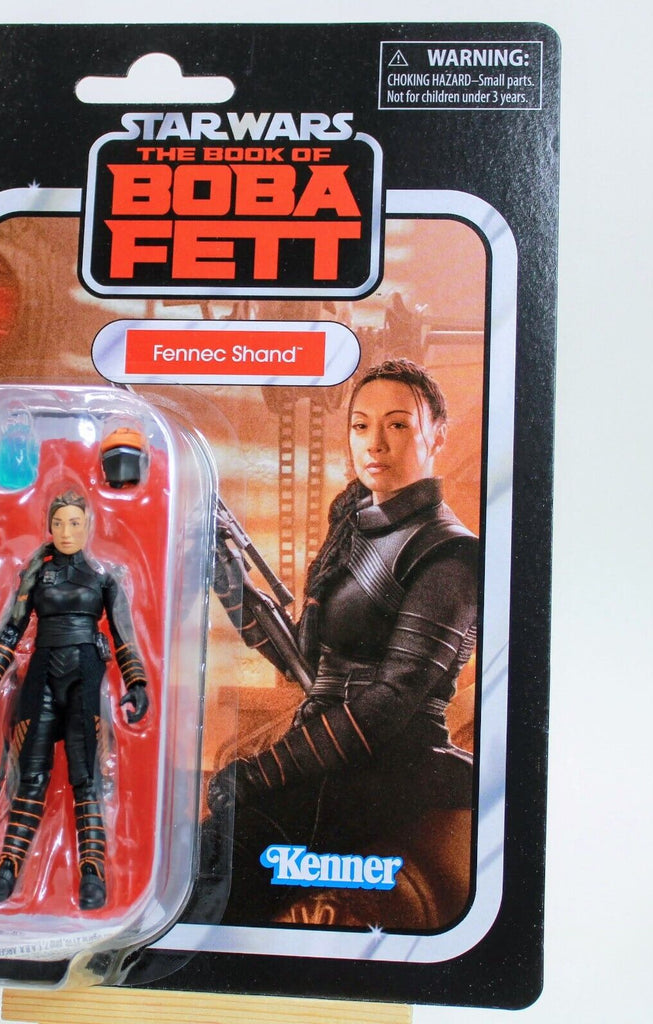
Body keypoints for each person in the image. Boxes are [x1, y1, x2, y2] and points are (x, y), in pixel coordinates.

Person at [207, 358, 478, 926]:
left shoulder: (449, 553)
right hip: (330, 751)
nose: (375, 443)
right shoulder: (354, 526)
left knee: (220, 863)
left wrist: (265, 771)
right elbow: (305, 663)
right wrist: (228, 580)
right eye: (361, 425)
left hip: (390, 764)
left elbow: (389, 703)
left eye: (398, 424)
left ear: (438, 436)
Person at [0, 489, 149, 909]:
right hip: (41, 678)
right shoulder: (35, 574)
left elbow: (123, 633)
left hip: (85, 677)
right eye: (59, 523)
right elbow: (11, 629)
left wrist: (136, 682)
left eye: (75, 523)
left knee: (87, 778)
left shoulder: (105, 578)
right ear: (49, 526)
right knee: (30, 776)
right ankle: (8, 866)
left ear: (88, 526)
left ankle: (92, 872)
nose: (66, 532)